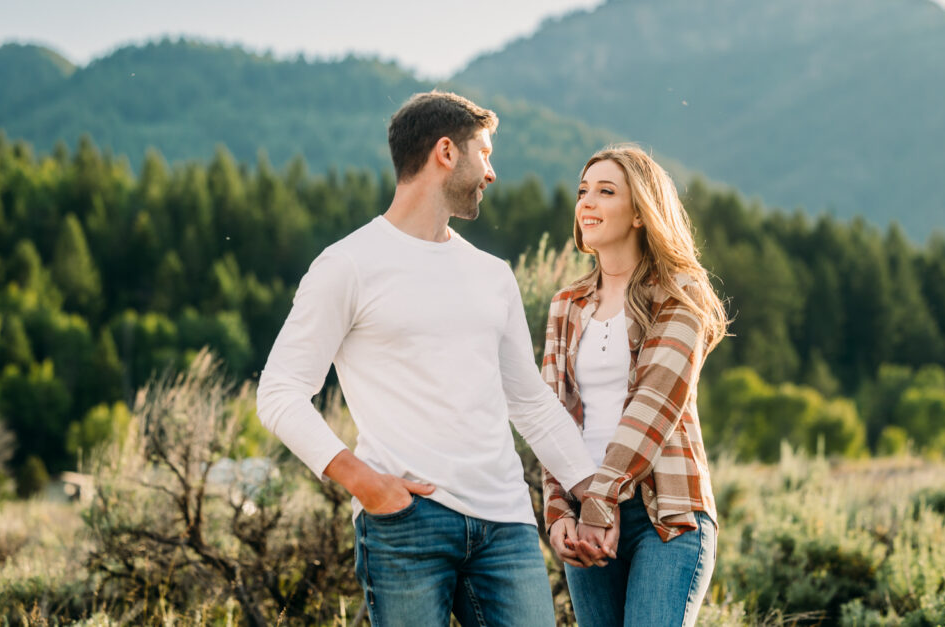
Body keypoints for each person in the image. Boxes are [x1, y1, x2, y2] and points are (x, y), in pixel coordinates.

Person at [257, 91, 601, 626]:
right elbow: (279, 392)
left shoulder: (493, 275)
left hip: (506, 525)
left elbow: (530, 402)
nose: (491, 172)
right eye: (484, 153)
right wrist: (366, 482)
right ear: (446, 152)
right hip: (407, 522)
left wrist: (592, 492)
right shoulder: (347, 265)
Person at [541, 146, 729, 626]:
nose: (587, 202)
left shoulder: (679, 293)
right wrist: (560, 511)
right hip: (588, 516)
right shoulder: (567, 305)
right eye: (583, 191)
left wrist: (600, 502)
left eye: (605, 191)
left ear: (642, 212)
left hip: (666, 515)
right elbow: (551, 414)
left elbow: (654, 404)